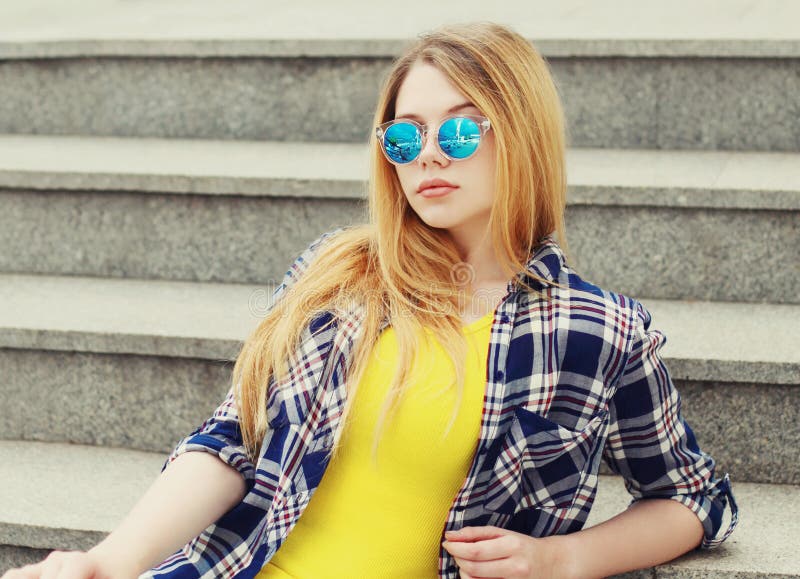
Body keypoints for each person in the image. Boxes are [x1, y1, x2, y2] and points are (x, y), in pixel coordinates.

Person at [2, 21, 739, 579]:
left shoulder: (597, 329)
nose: (429, 154)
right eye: (404, 135)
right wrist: (108, 561)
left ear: (520, 133)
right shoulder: (338, 277)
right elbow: (233, 440)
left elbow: (695, 499)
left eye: (458, 127)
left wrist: (563, 559)